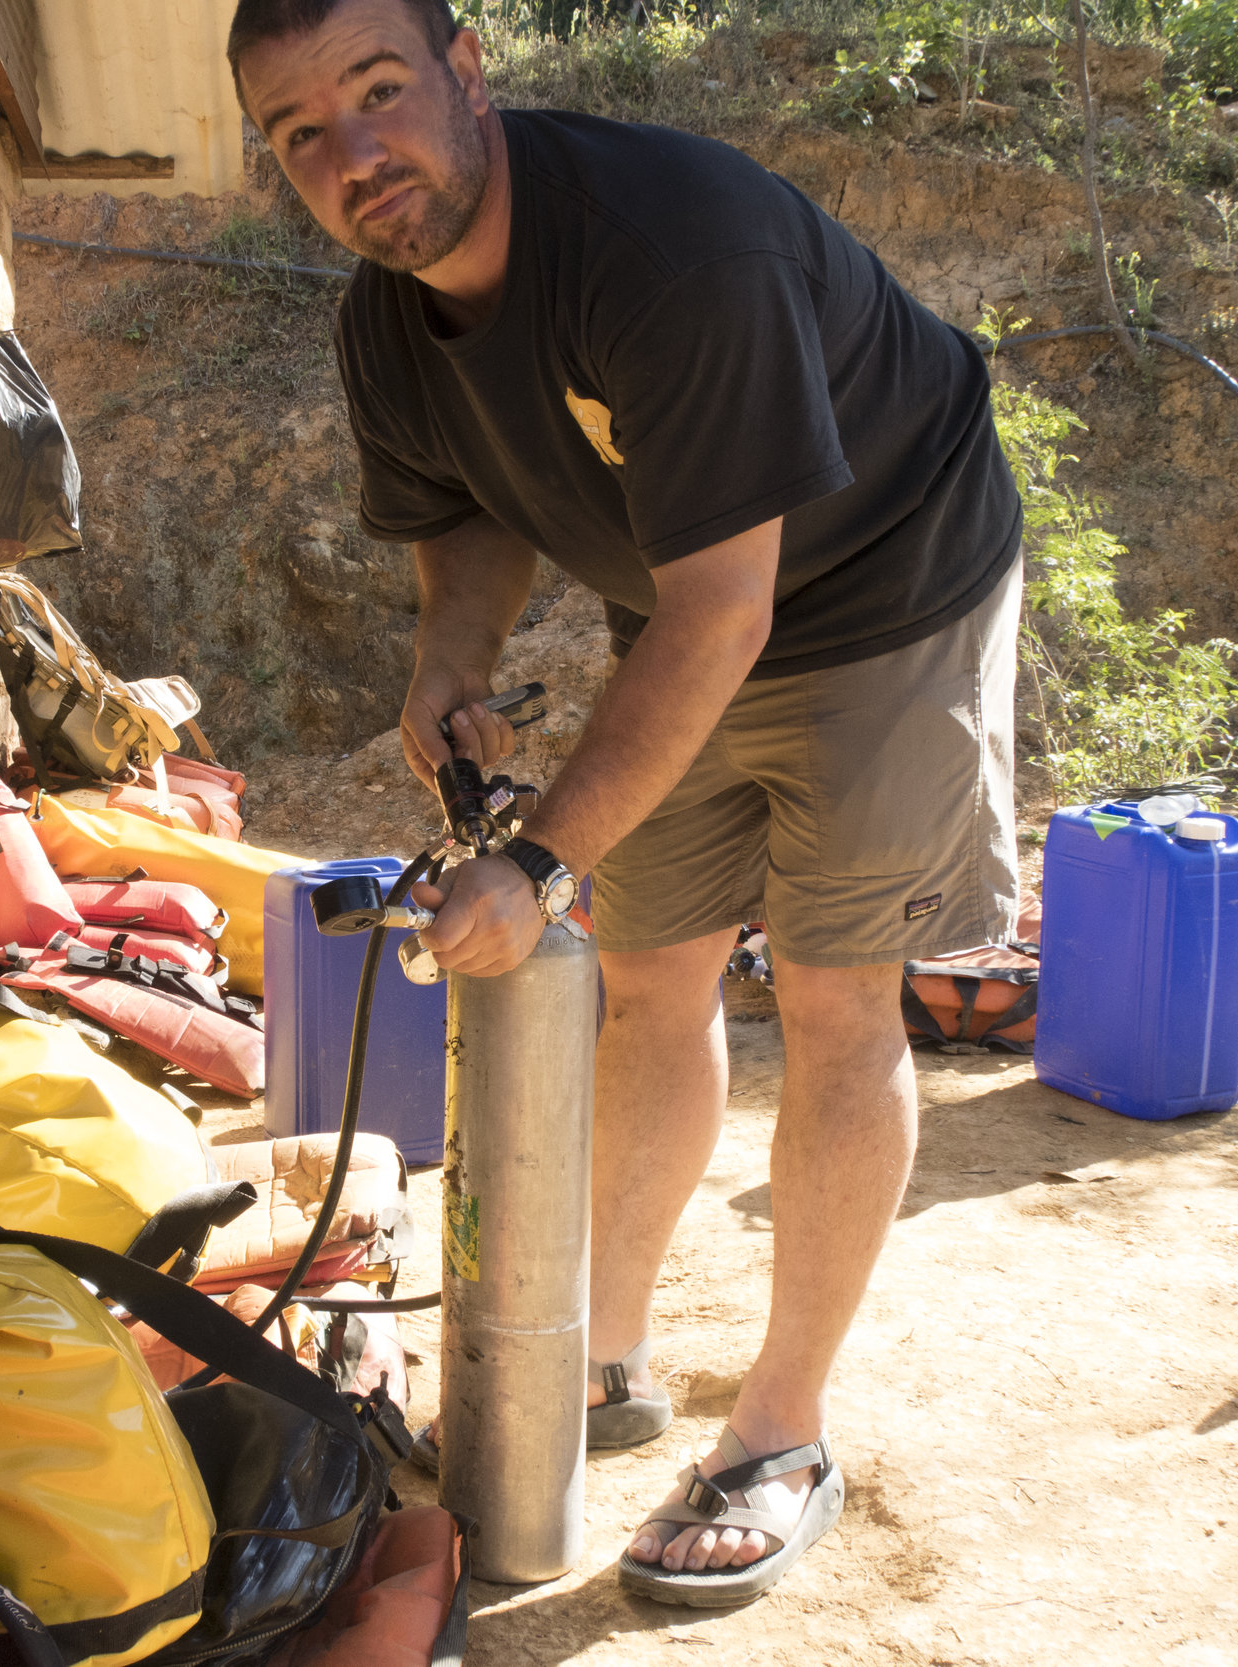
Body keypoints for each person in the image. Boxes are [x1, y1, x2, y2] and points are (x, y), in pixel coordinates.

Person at [229, 0, 1022, 1606]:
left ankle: (783, 1430)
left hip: (887, 584)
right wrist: (452, 652)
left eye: (380, 93)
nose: (353, 154)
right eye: (302, 131)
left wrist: (533, 857)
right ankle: (604, 1356)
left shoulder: (672, 258)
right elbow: (466, 514)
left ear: (468, 74)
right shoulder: (385, 321)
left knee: (829, 993)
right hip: (689, 606)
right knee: (651, 976)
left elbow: (730, 613)